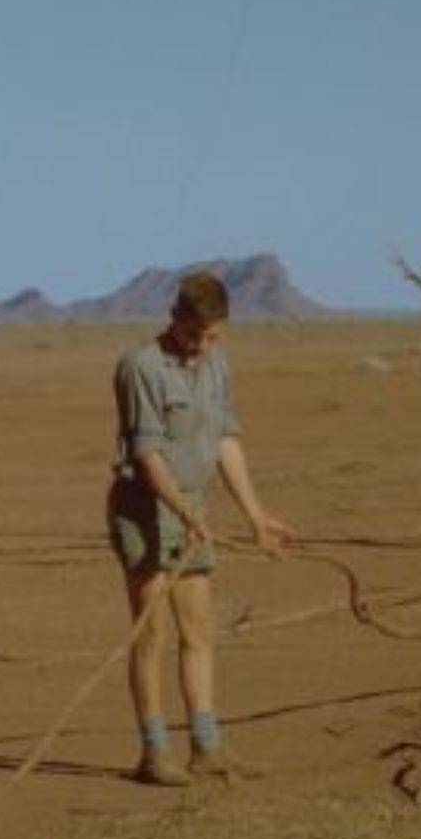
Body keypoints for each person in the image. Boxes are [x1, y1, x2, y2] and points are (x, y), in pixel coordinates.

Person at [106, 270, 291, 787]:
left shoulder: (217, 366)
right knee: (152, 634)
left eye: (212, 337)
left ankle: (207, 747)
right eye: (194, 336)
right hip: (144, 508)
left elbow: (225, 442)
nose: (202, 347)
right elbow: (146, 454)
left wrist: (256, 516)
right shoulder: (140, 366)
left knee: (199, 630)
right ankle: (153, 752)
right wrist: (184, 515)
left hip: (191, 506)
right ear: (175, 320)